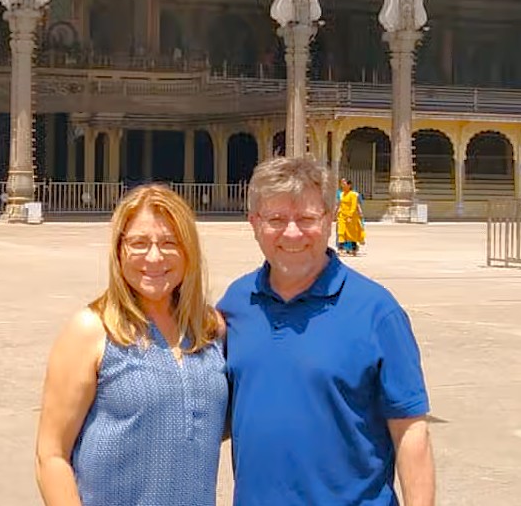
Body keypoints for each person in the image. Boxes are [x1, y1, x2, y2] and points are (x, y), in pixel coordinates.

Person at [218, 157, 435, 505]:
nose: (292, 233)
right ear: (254, 222)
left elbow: (409, 430)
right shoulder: (237, 304)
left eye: (306, 219)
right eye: (276, 219)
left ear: (329, 220)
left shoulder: (376, 311)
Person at [35, 185, 226, 506]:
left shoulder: (209, 330)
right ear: (119, 250)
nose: (154, 257)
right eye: (139, 243)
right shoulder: (94, 330)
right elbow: (51, 454)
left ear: (189, 250)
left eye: (169, 243)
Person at [336, 177, 366, 256]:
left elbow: (353, 206)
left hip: (351, 216)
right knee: (341, 232)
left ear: (349, 185)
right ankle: (341, 248)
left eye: (344, 184)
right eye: (341, 184)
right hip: (342, 215)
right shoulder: (341, 194)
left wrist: (350, 215)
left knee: (351, 233)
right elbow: (340, 204)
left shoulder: (353, 194)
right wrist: (337, 212)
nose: (342, 185)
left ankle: (353, 248)